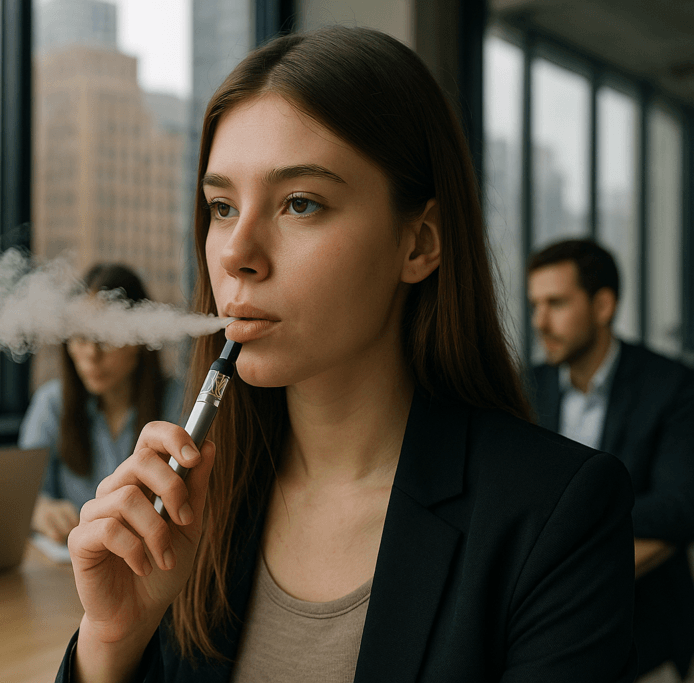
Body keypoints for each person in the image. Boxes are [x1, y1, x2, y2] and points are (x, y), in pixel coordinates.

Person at [56, 26, 639, 683]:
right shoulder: (193, 509)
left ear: (419, 242)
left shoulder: (556, 515)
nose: (236, 252)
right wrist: (111, 642)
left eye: (300, 203)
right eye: (221, 206)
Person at [526, 238, 694, 679]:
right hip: (541, 637)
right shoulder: (526, 387)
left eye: (556, 303)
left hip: (647, 630)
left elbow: (681, 506)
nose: (539, 321)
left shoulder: (671, 386)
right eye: (535, 305)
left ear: (603, 306)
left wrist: (570, 522)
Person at [19, 263, 183, 544]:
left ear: (140, 338)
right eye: (80, 337)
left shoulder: (179, 401)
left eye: (106, 337)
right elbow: (23, 496)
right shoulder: (52, 404)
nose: (91, 354)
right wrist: (41, 511)